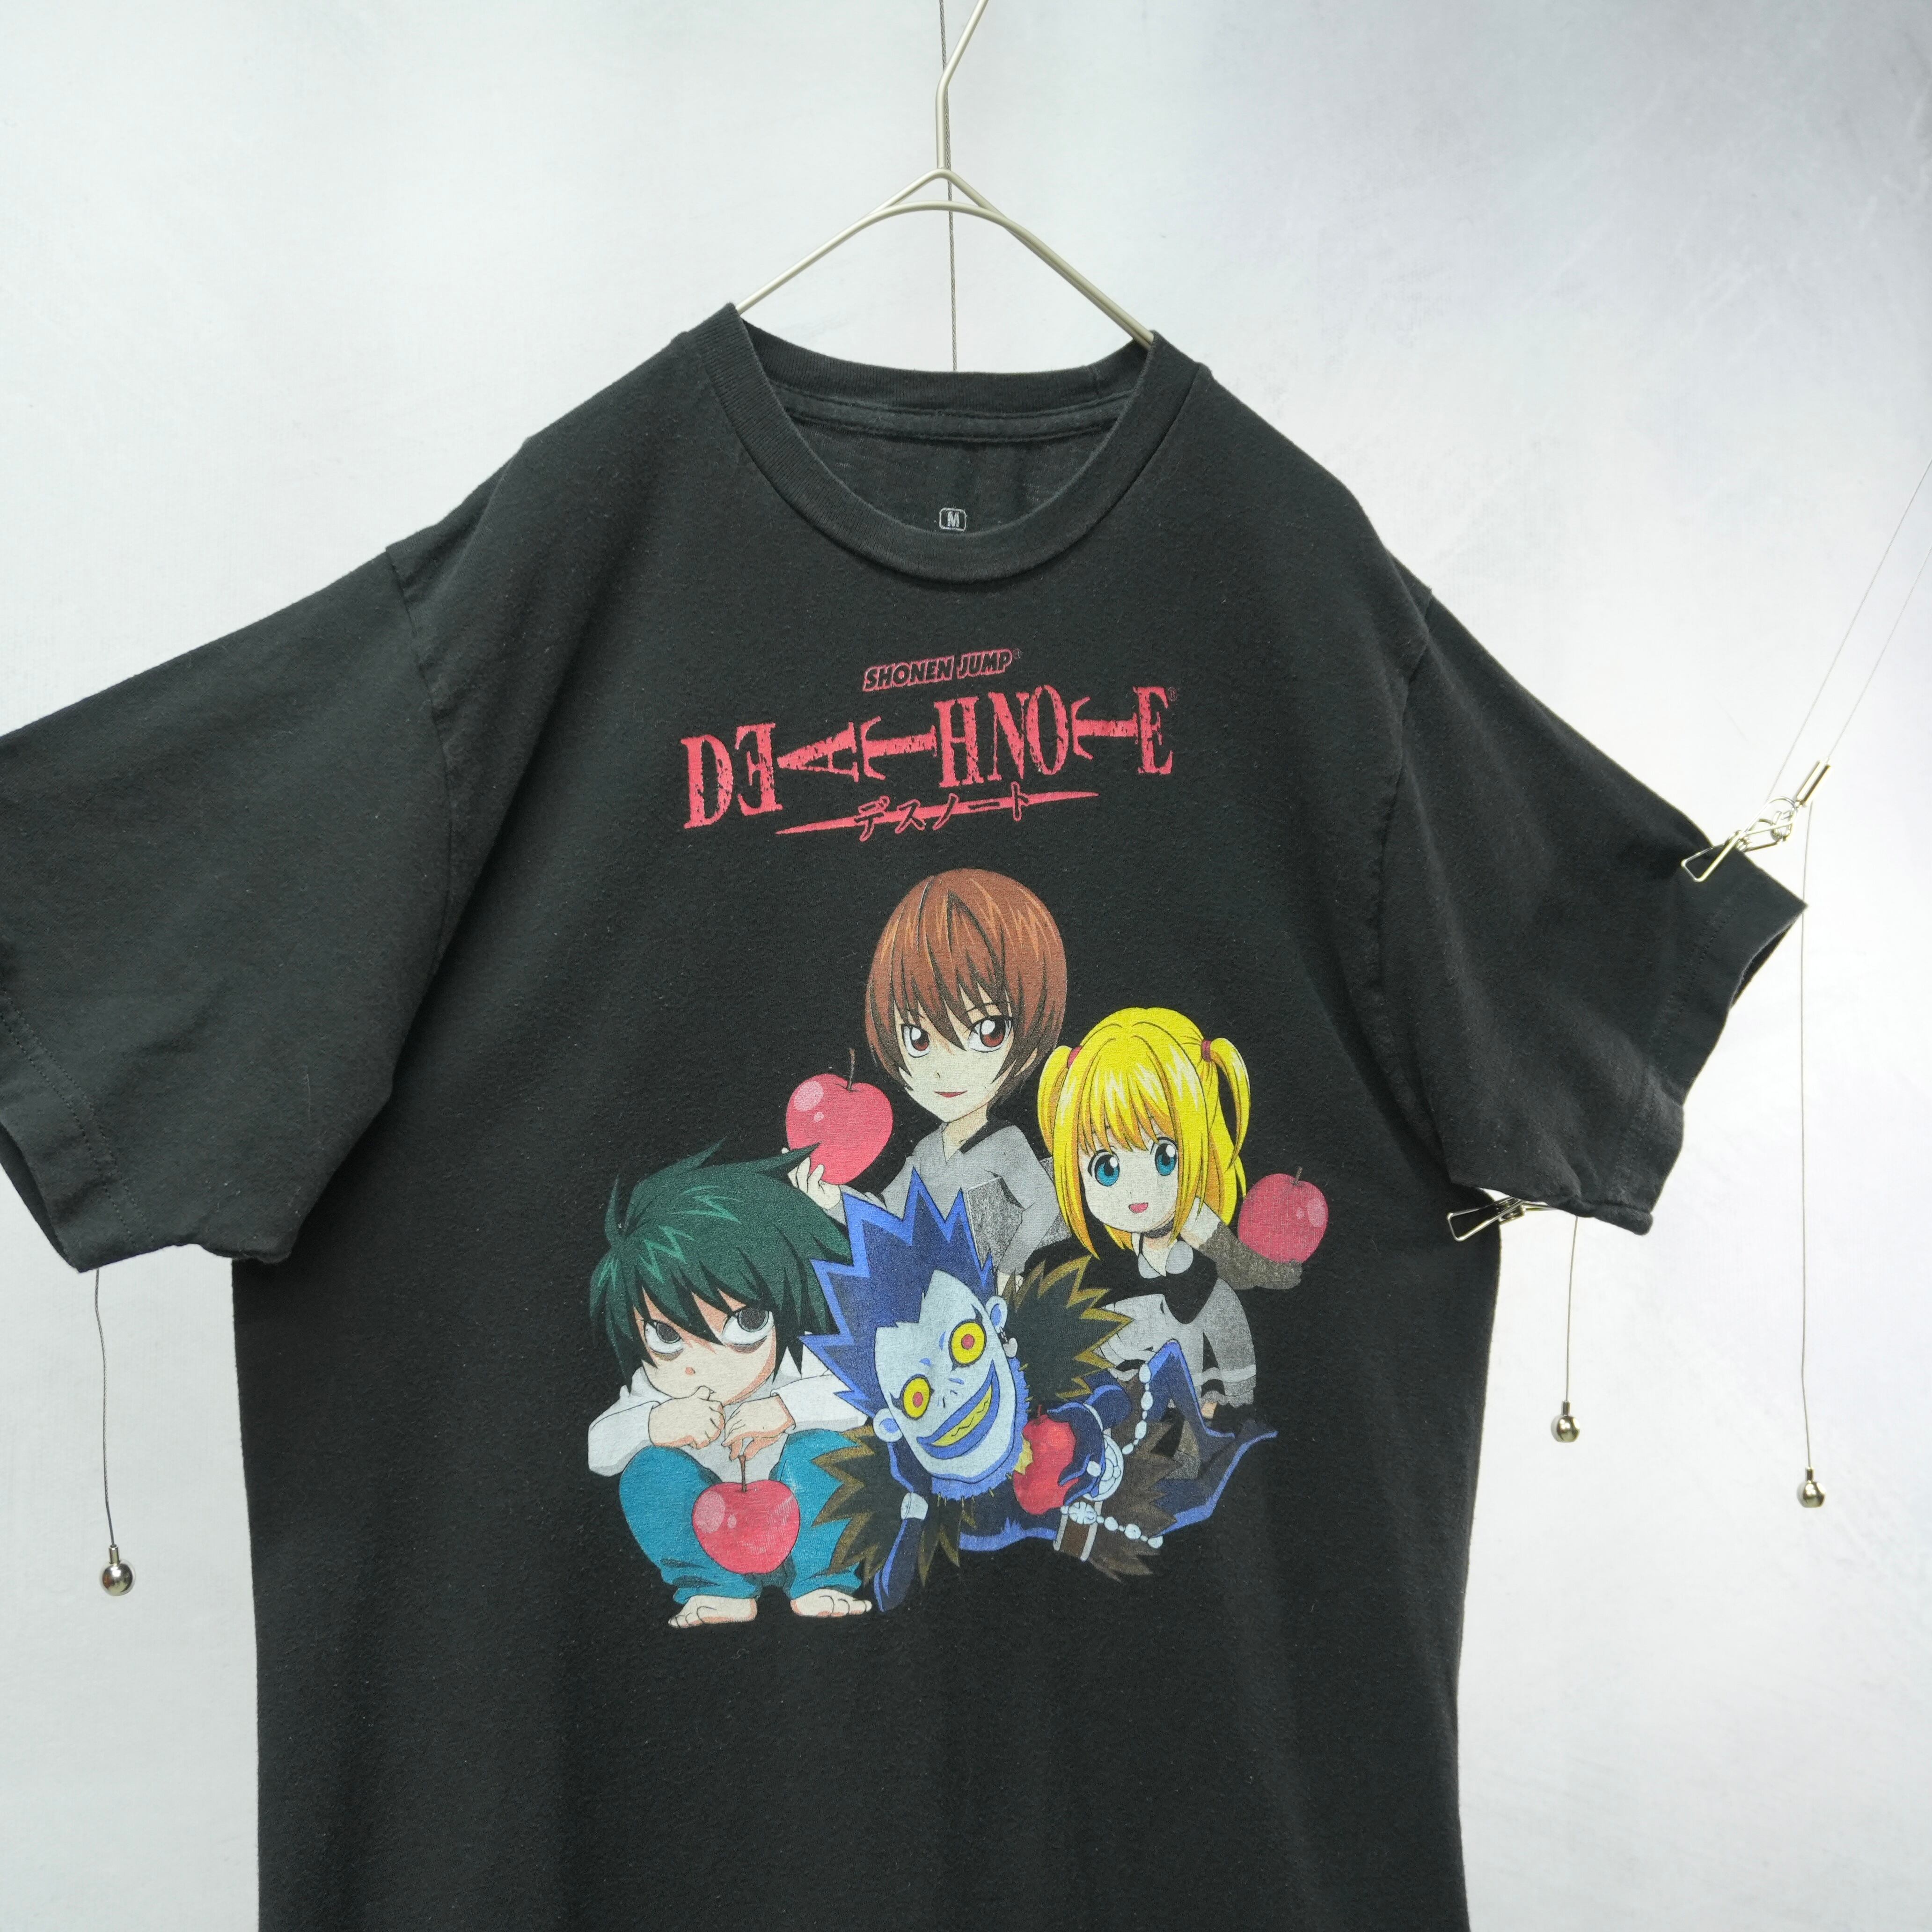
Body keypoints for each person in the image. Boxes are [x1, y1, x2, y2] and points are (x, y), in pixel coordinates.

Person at [586, 1148, 870, 1628]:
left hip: (806, 1539)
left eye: (746, 1323)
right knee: (648, 1473)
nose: (707, 1362)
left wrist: (786, 1408)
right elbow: (598, 1449)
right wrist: (654, 1425)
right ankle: (714, 1588)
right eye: (668, 1335)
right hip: (715, 1543)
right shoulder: (654, 1388)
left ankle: (824, 1579)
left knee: (828, 1452)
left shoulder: (798, 1360)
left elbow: (859, 1399)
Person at [792, 868, 1068, 1280]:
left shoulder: (1005, 1143)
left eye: (987, 1032)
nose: (944, 1068)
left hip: (989, 1292)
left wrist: (1010, 1268)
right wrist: (833, 1199)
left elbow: (1045, 1204)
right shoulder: (926, 1152)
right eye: (919, 1039)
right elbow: (888, 1213)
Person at [1037, 1006, 1300, 1417]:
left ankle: (1199, 1428)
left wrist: (1272, 1271)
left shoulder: (1192, 1217)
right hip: (1157, 1312)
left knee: (1200, 1392)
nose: (1136, 1191)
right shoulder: (1123, 1241)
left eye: (1165, 1157)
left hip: (1198, 1308)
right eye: (1107, 1168)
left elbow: (1234, 1260)